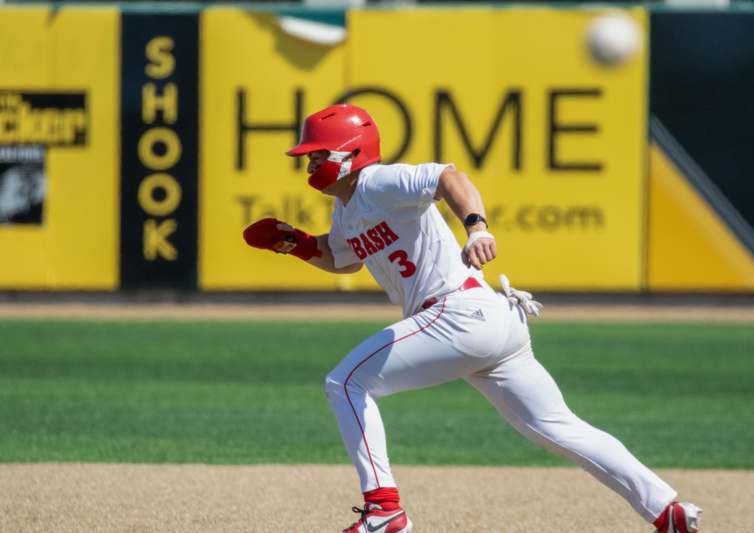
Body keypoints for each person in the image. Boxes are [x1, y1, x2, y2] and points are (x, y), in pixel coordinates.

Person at [243, 104, 702, 533]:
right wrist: (295, 243)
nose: (308, 165)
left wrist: (477, 225)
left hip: (457, 314)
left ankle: (385, 509)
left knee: (345, 383)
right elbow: (343, 259)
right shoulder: (347, 207)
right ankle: (667, 510)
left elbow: (448, 177)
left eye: (316, 154)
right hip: (489, 320)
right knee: (558, 426)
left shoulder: (379, 181)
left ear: (349, 154)